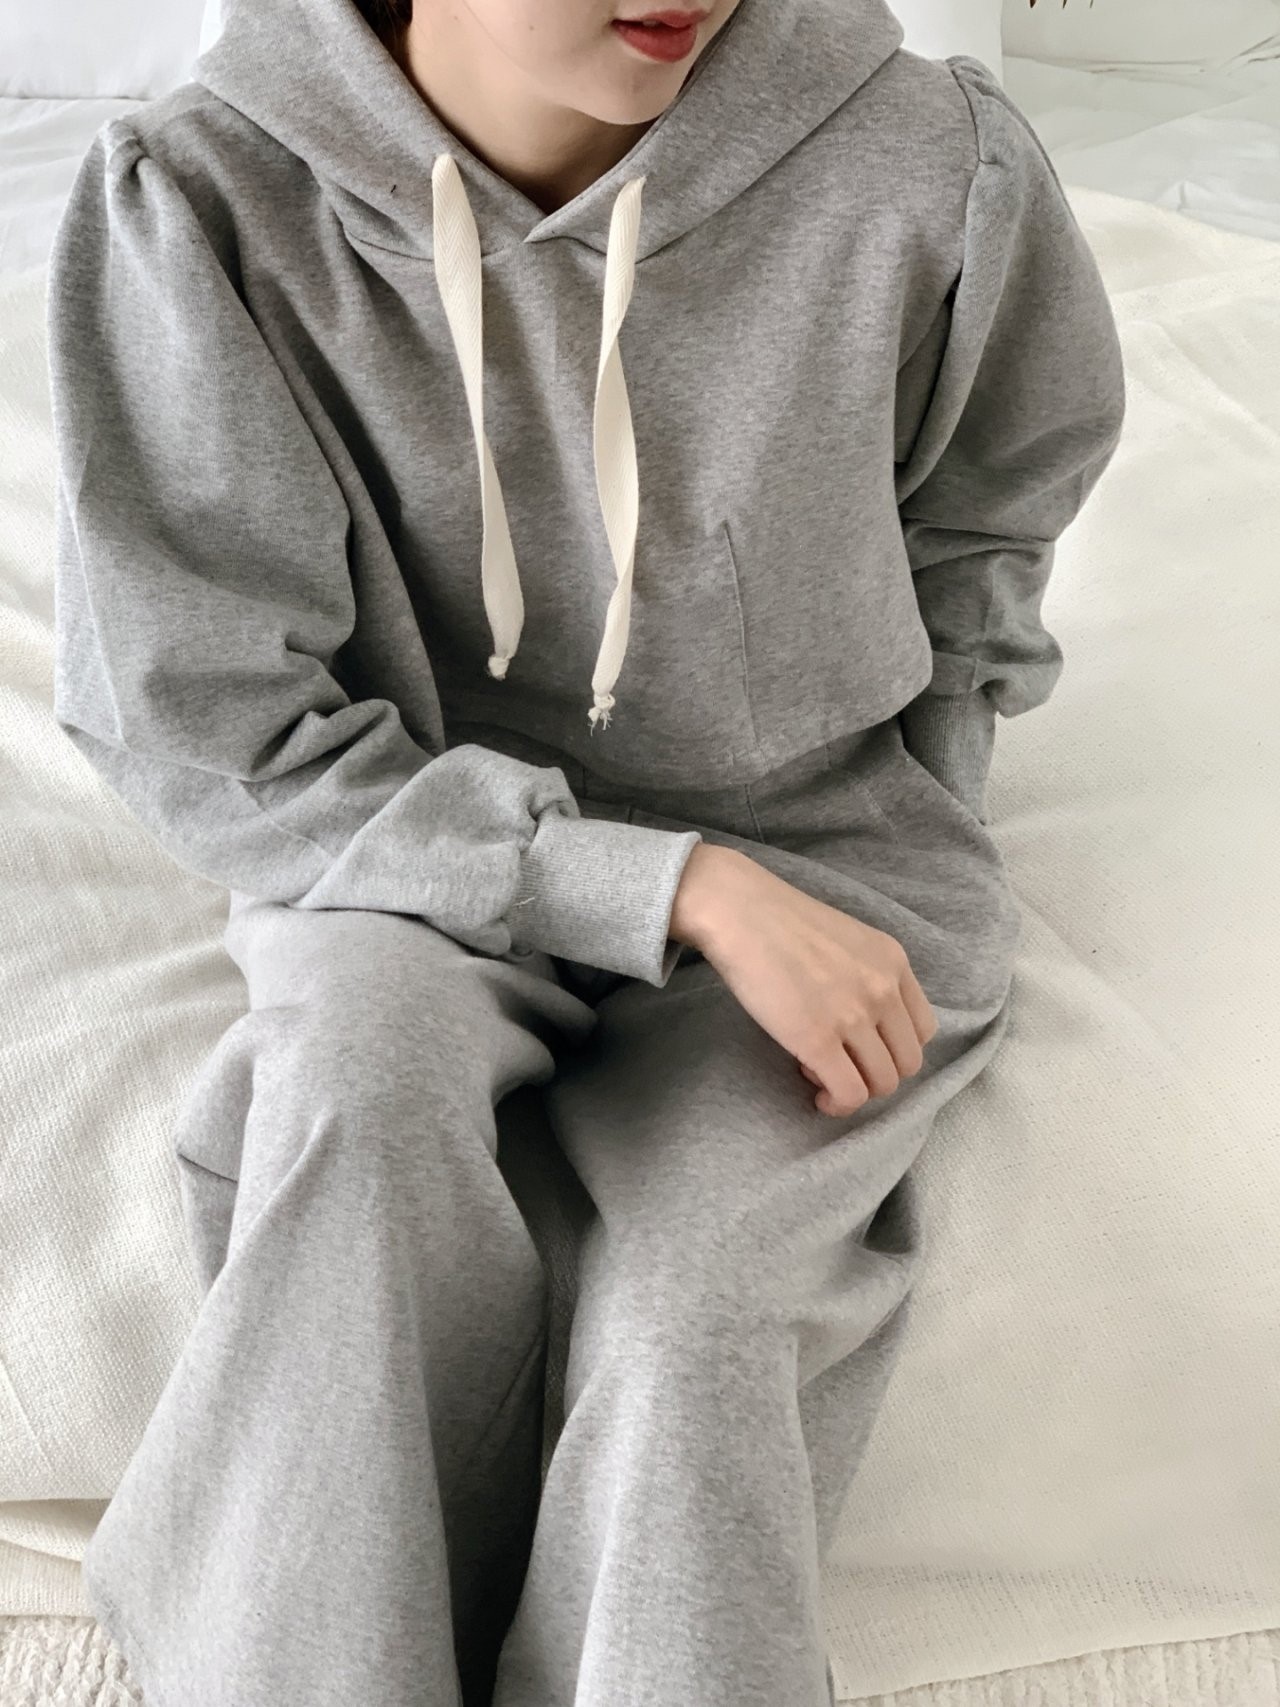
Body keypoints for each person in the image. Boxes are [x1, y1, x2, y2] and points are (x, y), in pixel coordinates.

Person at [44, 0, 1126, 1701]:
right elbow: (211, 723)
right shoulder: (202, 198)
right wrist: (664, 883)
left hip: (819, 842)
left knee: (701, 1313)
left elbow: (986, 519)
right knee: (358, 1118)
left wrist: (922, 778)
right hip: (399, 840)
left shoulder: (929, 161)